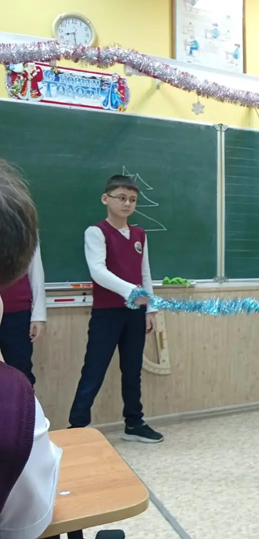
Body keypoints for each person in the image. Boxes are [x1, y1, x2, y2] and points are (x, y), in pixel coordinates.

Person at [68, 175, 163, 443]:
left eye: (132, 200)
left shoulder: (140, 234)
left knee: (132, 371)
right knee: (94, 369)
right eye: (121, 198)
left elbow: (145, 273)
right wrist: (131, 291)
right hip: (107, 313)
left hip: (135, 314)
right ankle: (77, 427)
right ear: (106, 198)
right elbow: (98, 271)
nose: (127, 203)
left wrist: (151, 309)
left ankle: (134, 423)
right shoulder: (96, 232)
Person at [0, 159, 61, 539]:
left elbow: (36, 271)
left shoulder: (20, 230)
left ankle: (31, 436)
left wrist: (38, 312)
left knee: (20, 375)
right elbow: (29, 521)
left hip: (19, 311)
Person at [0, 242, 46, 386]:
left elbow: (36, 270)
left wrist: (39, 315)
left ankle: (24, 401)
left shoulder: (23, 229)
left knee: (20, 371)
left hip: (16, 312)